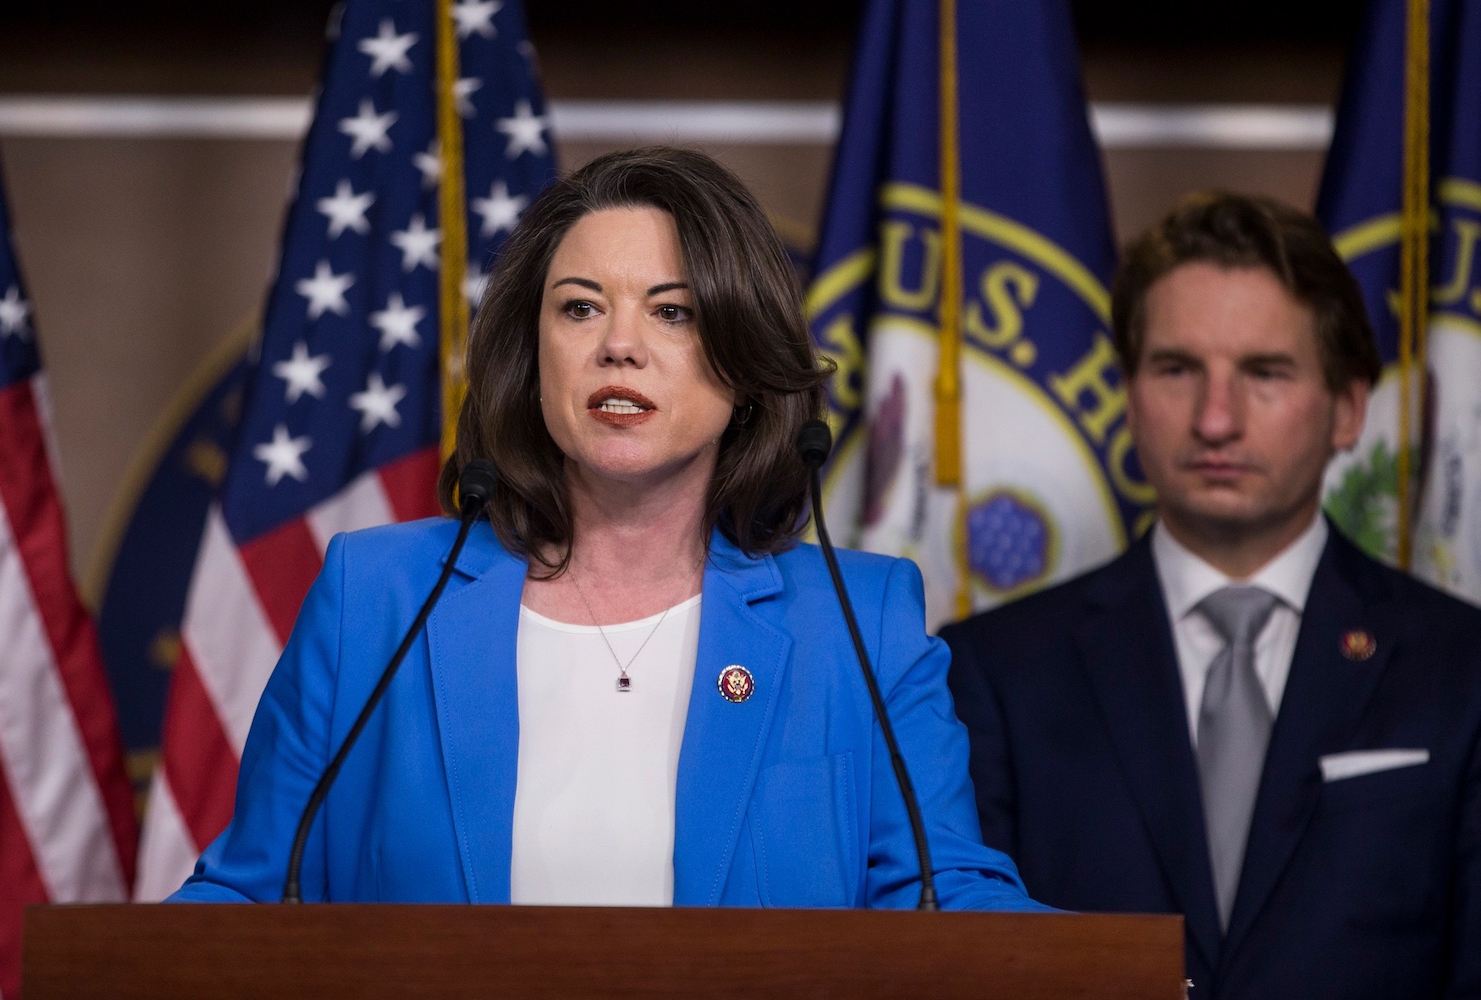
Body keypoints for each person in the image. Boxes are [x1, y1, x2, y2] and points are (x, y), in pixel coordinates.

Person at [169, 146, 1043, 912]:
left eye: (674, 311)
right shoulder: (380, 599)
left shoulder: (858, 623)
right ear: (533, 352)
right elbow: (252, 892)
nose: (618, 346)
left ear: (742, 358)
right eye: (580, 308)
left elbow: (948, 901)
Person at [942, 191, 1481, 998]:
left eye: (1265, 372)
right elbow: (971, 969)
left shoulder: (1462, 668)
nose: (1216, 419)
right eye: (1176, 369)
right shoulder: (990, 671)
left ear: (1349, 407)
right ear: (1129, 393)